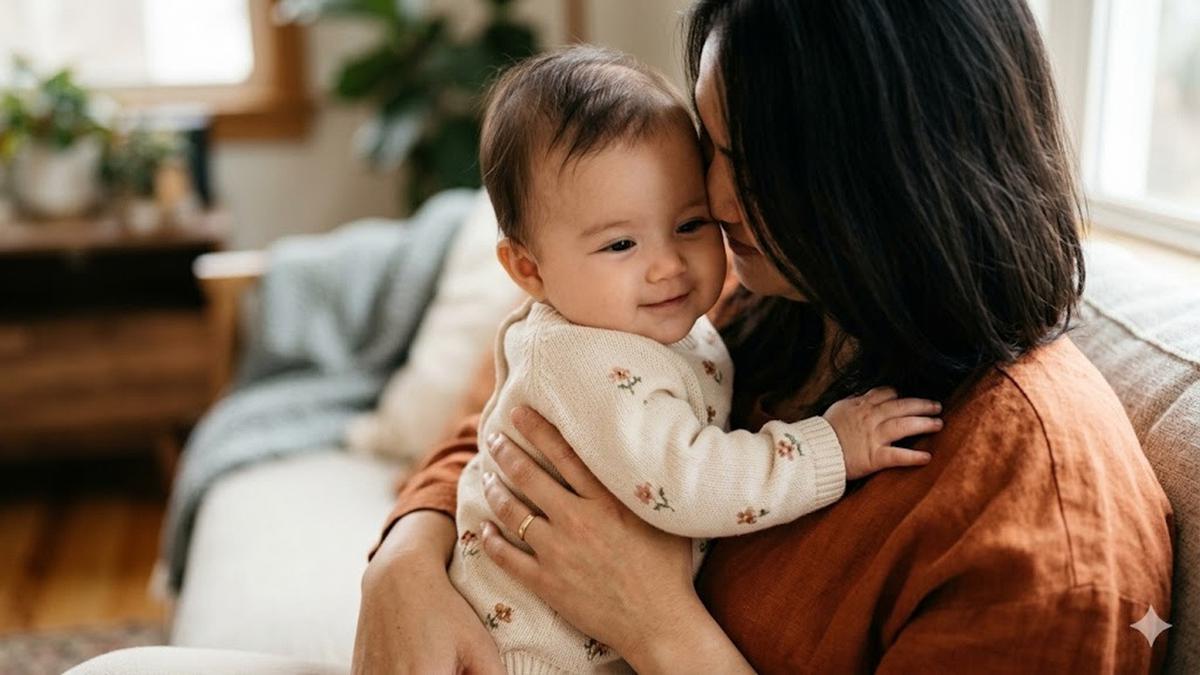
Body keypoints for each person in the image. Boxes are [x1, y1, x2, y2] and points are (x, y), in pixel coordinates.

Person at [355, 1, 1173, 673]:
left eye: (753, 164)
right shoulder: (767, 297)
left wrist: (656, 623)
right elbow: (529, 416)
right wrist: (407, 557)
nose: (712, 200)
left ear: (890, 171)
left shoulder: (1042, 532)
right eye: (712, 150)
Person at [454, 45, 941, 674]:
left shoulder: (654, 319)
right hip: (530, 658)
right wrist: (831, 449)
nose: (667, 266)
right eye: (621, 244)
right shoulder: (583, 361)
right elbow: (687, 483)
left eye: (689, 225)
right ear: (528, 269)